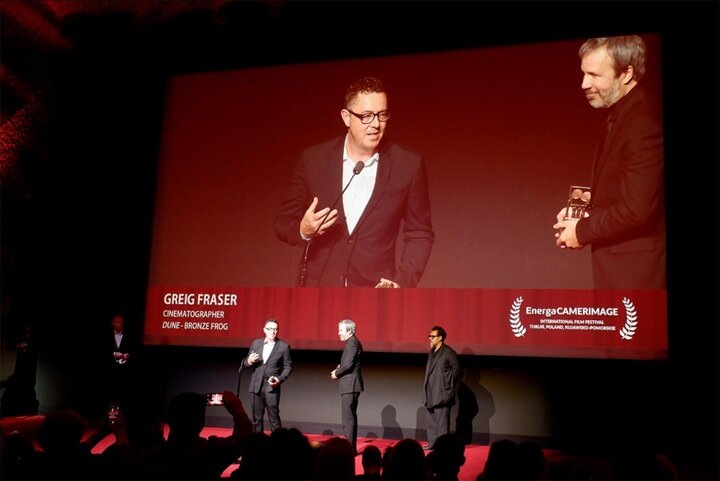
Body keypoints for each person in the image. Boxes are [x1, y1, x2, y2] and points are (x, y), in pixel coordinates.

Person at [274, 75, 434, 288]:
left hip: (375, 293)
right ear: (346, 117)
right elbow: (283, 222)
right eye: (366, 116)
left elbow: (419, 233)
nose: (376, 124)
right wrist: (304, 229)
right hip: (319, 290)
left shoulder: (408, 165)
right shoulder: (314, 160)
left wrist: (402, 282)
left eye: (382, 115)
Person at [553, 35, 665, 289]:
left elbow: (638, 210)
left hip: (637, 274)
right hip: (623, 269)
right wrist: (580, 216)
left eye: (594, 75)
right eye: (583, 74)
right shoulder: (625, 113)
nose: (584, 83)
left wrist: (581, 230)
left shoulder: (644, 122)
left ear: (626, 73)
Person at [243, 318, 293, 433]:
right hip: (256, 386)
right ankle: (257, 444)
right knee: (256, 419)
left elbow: (288, 367)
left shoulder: (283, 347)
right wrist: (249, 361)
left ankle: (277, 445)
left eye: (276, 329)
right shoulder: (256, 343)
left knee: (274, 419)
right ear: (264, 330)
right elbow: (246, 363)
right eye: (270, 329)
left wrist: (279, 379)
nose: (273, 332)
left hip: (271, 386)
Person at [423, 326, 461, 451]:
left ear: (440, 338)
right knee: (431, 421)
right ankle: (432, 443)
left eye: (432, 336)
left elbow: (457, 371)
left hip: (442, 393)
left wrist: (447, 386)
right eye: (429, 336)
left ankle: (443, 448)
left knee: (442, 424)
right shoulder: (431, 352)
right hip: (430, 392)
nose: (430, 338)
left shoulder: (449, 352)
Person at [331, 319, 364, 453]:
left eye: (341, 330)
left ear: (349, 331)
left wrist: (336, 373)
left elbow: (348, 365)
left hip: (350, 385)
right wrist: (341, 368)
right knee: (350, 417)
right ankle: (351, 448)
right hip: (351, 385)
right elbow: (348, 363)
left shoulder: (351, 344)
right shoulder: (352, 343)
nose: (338, 333)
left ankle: (349, 449)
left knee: (348, 419)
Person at [107, 313, 133, 407]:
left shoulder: (130, 335)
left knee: (124, 393)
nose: (120, 324)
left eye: (122, 322)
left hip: (125, 370)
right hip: (110, 370)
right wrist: (114, 353)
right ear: (113, 323)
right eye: (118, 322)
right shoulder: (107, 336)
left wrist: (128, 355)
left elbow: (135, 349)